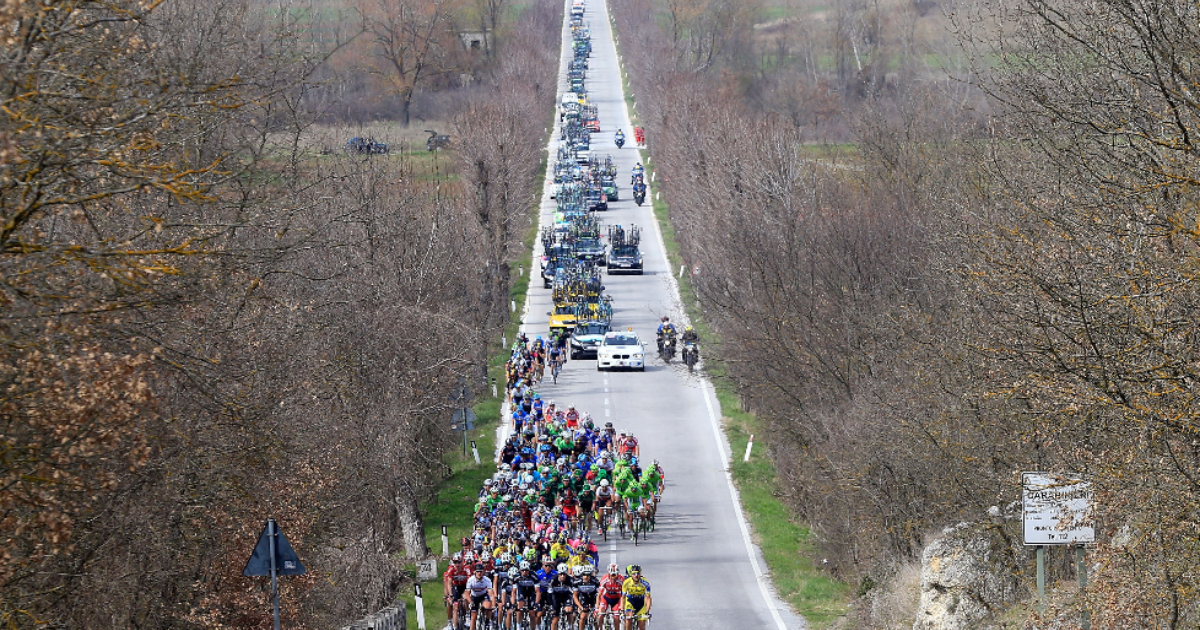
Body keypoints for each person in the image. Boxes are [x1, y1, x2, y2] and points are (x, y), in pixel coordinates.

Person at [619, 565, 652, 630]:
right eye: (634, 574)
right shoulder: (626, 582)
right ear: (631, 574)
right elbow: (623, 597)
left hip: (641, 603)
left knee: (642, 626)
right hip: (630, 602)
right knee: (628, 619)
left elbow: (648, 598)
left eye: (638, 573)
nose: (636, 575)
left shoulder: (645, 582)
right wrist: (622, 611)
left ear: (640, 574)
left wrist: (647, 611)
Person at [444, 552, 471, 628]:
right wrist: (451, 595)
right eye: (455, 562)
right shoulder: (451, 569)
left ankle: (468, 616)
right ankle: (453, 625)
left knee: (466, 598)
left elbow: (469, 581)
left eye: (459, 562)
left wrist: (468, 592)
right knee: (455, 606)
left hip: (464, 586)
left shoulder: (466, 568)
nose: (457, 564)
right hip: (455, 587)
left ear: (462, 562)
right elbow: (449, 584)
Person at [465, 563, 495, 630]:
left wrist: (493, 605)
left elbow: (491, 593)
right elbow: (467, 593)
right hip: (474, 597)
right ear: (474, 572)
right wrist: (471, 602)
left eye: (481, 571)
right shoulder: (470, 580)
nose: (479, 573)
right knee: (473, 616)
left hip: (483, 596)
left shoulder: (487, 580)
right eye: (477, 571)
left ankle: (487, 622)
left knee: (488, 607)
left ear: (483, 572)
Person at [573, 565, 600, 630]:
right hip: (583, 599)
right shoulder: (577, 582)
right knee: (583, 616)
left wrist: (597, 606)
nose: (586, 577)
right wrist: (580, 606)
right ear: (582, 575)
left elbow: (599, 594)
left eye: (588, 575)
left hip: (593, 598)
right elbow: (575, 596)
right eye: (584, 574)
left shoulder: (595, 581)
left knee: (596, 617)